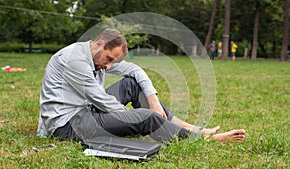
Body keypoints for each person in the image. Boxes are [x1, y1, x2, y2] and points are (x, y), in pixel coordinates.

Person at [37, 29, 245, 145]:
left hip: (86, 110)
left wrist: (153, 100)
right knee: (145, 117)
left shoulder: (94, 56)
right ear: (99, 43)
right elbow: (103, 101)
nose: (108, 66)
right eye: (108, 59)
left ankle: (192, 128)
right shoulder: (75, 60)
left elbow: (135, 70)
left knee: (132, 84)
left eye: (112, 62)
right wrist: (136, 118)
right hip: (66, 125)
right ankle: (204, 139)